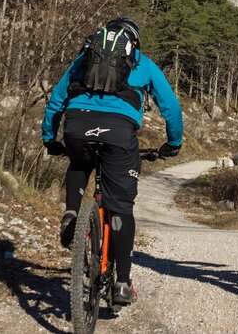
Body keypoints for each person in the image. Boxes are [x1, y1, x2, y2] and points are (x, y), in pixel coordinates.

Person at [41, 17, 184, 306]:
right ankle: (122, 283)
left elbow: (57, 100)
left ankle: (72, 213)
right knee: (120, 207)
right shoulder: (142, 63)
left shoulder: (84, 57)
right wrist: (173, 142)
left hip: (77, 127)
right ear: (133, 42)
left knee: (79, 162)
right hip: (118, 134)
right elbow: (170, 106)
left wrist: (49, 138)